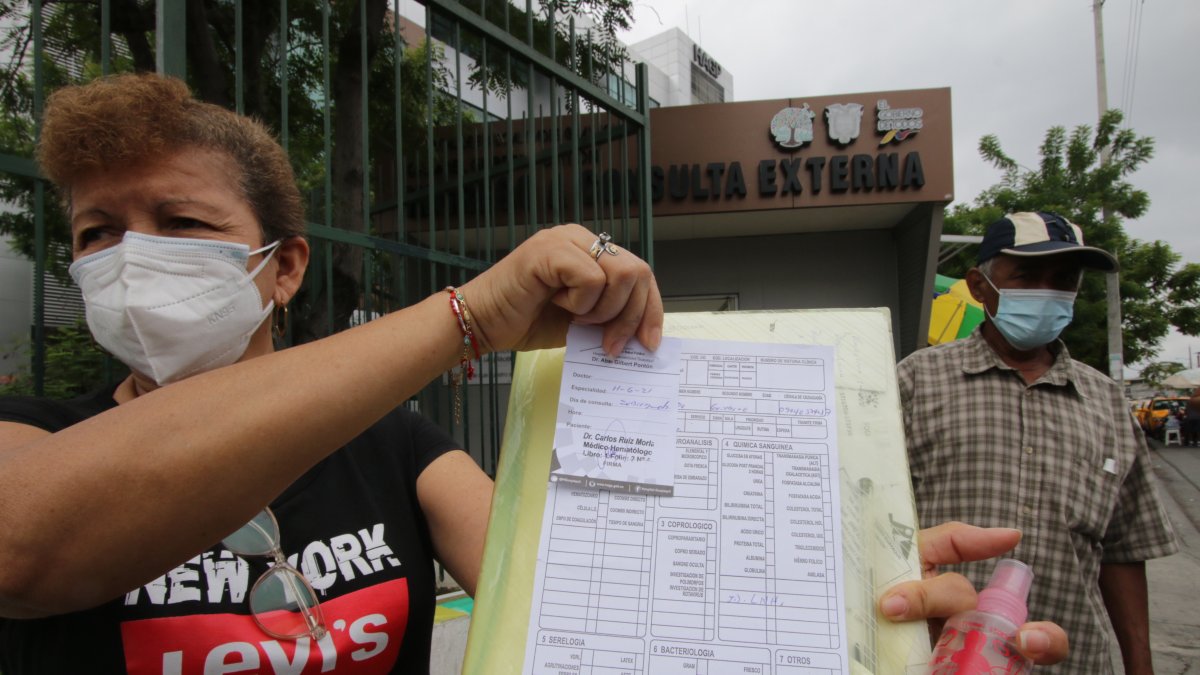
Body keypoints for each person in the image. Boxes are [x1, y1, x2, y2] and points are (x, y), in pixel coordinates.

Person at [0, 74, 1066, 673]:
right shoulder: (32, 435)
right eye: (98, 233)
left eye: (179, 223)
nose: (132, 260)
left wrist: (816, 608)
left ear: (283, 267)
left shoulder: (397, 447)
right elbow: (26, 541)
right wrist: (467, 317)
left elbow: (579, 614)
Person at [898, 211, 1179, 674]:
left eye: (1062, 280)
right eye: (1027, 276)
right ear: (978, 285)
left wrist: (1140, 665)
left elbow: (1126, 549)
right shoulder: (915, 380)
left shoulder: (1106, 401)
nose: (1046, 293)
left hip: (1075, 660)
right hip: (942, 660)